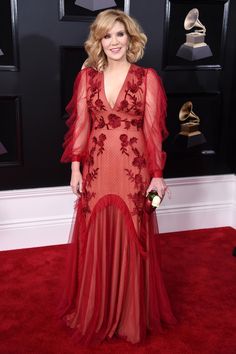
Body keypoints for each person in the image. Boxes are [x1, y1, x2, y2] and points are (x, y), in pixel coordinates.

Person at [58, 8, 177, 345]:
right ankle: (95, 309)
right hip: (96, 168)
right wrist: (75, 168)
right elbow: (82, 126)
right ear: (99, 40)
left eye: (119, 34)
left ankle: (129, 317)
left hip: (133, 169)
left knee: (132, 236)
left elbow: (153, 131)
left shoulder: (147, 78)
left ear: (130, 38)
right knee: (95, 233)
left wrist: (157, 175)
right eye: (107, 35)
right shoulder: (86, 78)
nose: (114, 42)